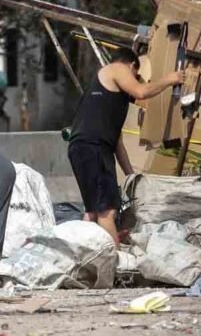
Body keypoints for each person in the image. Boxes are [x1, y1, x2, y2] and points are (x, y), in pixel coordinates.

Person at [67, 48, 185, 246]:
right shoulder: (118, 68)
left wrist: (130, 175)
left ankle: (86, 256)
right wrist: (170, 79)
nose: (135, 80)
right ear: (132, 66)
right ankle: (115, 264)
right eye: (136, 76)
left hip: (84, 148)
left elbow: (118, 143)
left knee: (93, 212)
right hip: (93, 148)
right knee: (107, 211)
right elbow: (141, 91)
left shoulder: (107, 103)